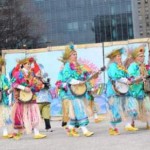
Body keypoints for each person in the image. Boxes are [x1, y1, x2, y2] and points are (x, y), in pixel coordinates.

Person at [56, 44, 98, 137]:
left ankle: (71, 128)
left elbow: (84, 76)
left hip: (80, 90)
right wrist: (78, 82)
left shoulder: (79, 65)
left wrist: (90, 74)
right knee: (79, 108)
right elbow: (67, 78)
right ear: (69, 56)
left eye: (76, 54)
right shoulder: (67, 65)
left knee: (75, 111)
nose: (75, 56)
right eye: (73, 54)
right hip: (73, 91)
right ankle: (84, 129)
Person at [11, 57, 46, 139]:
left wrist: (40, 85)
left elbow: (36, 85)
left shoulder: (32, 74)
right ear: (23, 65)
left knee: (34, 114)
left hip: (31, 97)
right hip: (22, 98)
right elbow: (13, 84)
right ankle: (18, 134)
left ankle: (36, 133)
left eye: (30, 64)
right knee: (20, 116)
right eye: (27, 64)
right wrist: (23, 88)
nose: (29, 65)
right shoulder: (18, 73)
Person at [106, 48, 138, 136]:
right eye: (117, 56)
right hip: (114, 91)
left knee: (124, 108)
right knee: (116, 110)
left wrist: (133, 79)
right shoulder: (112, 66)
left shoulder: (122, 66)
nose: (119, 58)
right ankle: (116, 127)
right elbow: (115, 76)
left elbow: (127, 77)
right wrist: (125, 80)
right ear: (113, 58)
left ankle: (123, 125)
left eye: (120, 56)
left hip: (123, 90)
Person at [127, 46, 150, 129]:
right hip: (134, 90)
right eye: (140, 56)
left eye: (143, 56)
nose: (142, 58)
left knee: (146, 107)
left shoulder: (145, 66)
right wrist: (139, 77)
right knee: (134, 108)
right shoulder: (133, 66)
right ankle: (131, 124)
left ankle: (148, 123)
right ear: (136, 58)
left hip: (143, 90)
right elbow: (130, 76)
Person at [33, 61, 53, 132]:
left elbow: (48, 87)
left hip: (46, 100)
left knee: (46, 114)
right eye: (38, 71)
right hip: (38, 101)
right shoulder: (34, 80)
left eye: (40, 71)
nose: (39, 72)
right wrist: (42, 85)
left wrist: (47, 84)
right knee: (36, 115)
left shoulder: (43, 79)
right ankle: (33, 128)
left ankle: (48, 127)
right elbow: (36, 88)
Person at [0, 56, 13, 138]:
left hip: (3, 100)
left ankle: (6, 132)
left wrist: (9, 90)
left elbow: (8, 88)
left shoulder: (3, 77)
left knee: (4, 116)